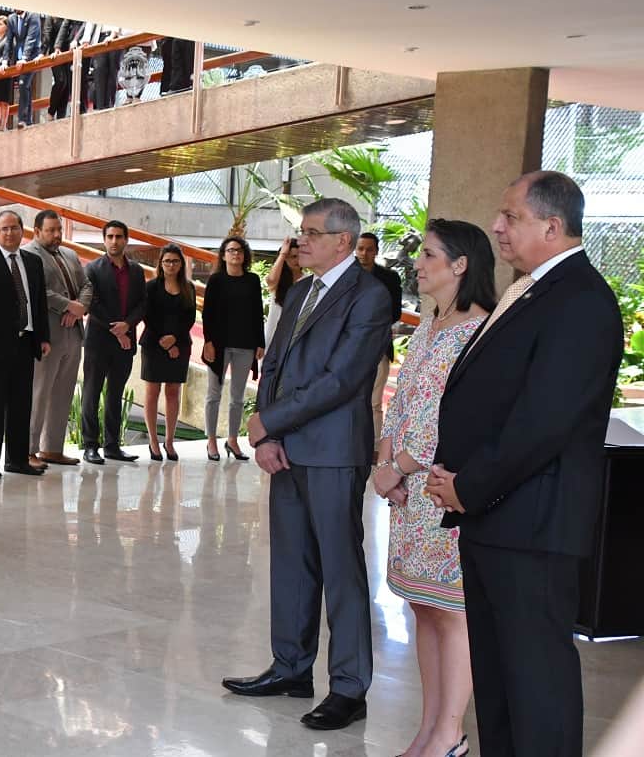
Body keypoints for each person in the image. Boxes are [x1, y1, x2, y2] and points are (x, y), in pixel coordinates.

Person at [427, 171, 623, 757]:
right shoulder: (536, 289)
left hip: (532, 522)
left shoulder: (581, 299)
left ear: (552, 226)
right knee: (501, 680)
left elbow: (545, 420)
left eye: (510, 216)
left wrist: (469, 485)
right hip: (498, 517)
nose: (496, 227)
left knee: (536, 682)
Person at [222, 198, 390, 732]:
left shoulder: (369, 297)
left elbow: (341, 380)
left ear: (344, 241)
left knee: (340, 569)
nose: (300, 244)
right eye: (300, 235)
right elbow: (273, 364)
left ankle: (348, 688)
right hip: (288, 448)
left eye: (312, 234)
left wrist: (271, 423)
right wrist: (266, 428)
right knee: (292, 563)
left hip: (335, 452)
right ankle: (291, 668)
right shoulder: (298, 290)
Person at [373, 219, 495, 757]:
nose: (417, 264)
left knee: (452, 611)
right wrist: (384, 461)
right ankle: (427, 727)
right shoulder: (426, 327)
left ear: (460, 264)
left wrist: (398, 466)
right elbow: (401, 403)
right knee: (421, 607)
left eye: (428, 255)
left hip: (440, 489)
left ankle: (451, 732)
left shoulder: (480, 331)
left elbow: (452, 420)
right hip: (405, 494)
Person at [0, 210, 51, 479]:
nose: (9, 233)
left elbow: (39, 302)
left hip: (26, 343)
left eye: (14, 228)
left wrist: (43, 337)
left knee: (20, 404)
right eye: (4, 229)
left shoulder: (33, 262)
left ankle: (16, 459)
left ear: (22, 230)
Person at [24, 209, 92, 468]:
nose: (56, 235)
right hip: (47, 334)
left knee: (63, 392)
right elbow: (38, 291)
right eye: (50, 230)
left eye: (59, 230)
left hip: (73, 333)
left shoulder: (71, 255)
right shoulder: (29, 255)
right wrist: (68, 306)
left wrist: (78, 309)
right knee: (39, 392)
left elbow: (87, 286)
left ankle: (52, 448)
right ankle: (29, 450)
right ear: (37, 231)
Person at [81, 220, 145, 464]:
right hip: (99, 340)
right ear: (104, 239)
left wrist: (127, 326)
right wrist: (116, 329)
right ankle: (90, 446)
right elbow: (91, 303)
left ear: (126, 240)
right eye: (110, 236)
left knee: (115, 394)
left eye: (119, 236)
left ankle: (112, 446)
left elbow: (142, 304)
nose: (114, 241)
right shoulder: (93, 269)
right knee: (91, 392)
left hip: (125, 342)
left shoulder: (137, 271)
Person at [201, 236, 265, 461]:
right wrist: (208, 342)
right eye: (231, 250)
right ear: (223, 254)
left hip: (245, 345)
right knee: (213, 394)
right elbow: (207, 313)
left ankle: (232, 440)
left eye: (239, 250)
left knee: (237, 397)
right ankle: (211, 441)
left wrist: (260, 342)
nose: (235, 254)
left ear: (244, 254)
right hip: (218, 345)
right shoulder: (216, 280)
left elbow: (258, 312)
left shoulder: (252, 280)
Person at [140, 244, 196, 461]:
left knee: (173, 392)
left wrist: (175, 341)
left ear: (181, 264)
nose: (171, 265)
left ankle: (169, 441)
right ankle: (153, 441)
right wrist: (166, 343)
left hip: (180, 344)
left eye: (175, 261)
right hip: (154, 344)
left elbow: (189, 318)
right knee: (152, 392)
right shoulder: (151, 287)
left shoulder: (188, 288)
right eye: (167, 261)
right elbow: (148, 316)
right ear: (160, 264)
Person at [355, 231, 404, 445]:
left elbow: (395, 312)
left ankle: (374, 444)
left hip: (379, 344)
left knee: (375, 400)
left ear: (376, 251)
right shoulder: (346, 276)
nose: (364, 253)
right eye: (360, 249)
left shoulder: (389, 278)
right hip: (350, 346)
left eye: (369, 249)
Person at [265, 236, 305, 345]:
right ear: (285, 258)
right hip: (274, 335)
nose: (297, 260)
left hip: (296, 336)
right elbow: (271, 280)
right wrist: (282, 254)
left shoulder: (309, 280)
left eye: (300, 256)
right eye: (293, 257)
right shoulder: (278, 280)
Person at [8, 10, 42, 128]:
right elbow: (9, 40)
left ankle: (23, 119)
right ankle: (28, 119)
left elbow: (31, 38)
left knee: (24, 84)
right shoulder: (11, 18)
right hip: (17, 57)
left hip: (32, 55)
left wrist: (25, 57)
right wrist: (4, 60)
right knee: (24, 87)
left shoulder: (33, 16)